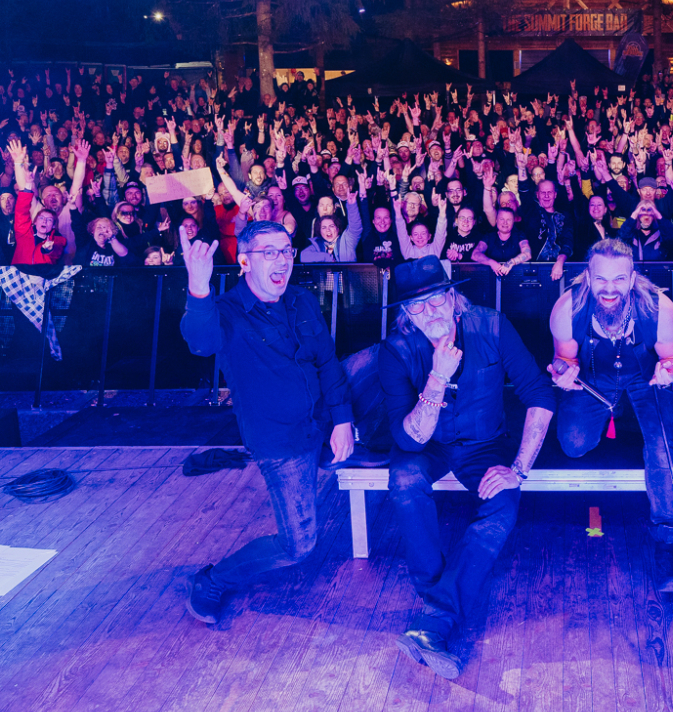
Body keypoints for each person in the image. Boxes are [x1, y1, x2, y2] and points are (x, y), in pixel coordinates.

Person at [379, 257, 556, 680]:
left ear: (453, 297)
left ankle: (434, 619)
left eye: (436, 299)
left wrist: (518, 469)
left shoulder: (492, 325)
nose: (430, 312)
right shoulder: (396, 350)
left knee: (503, 501)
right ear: (406, 314)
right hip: (428, 444)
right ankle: (437, 608)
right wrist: (437, 378)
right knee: (403, 479)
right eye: (416, 306)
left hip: (484, 444)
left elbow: (539, 394)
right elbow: (409, 440)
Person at [178, 225, 354, 626]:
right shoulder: (226, 312)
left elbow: (327, 361)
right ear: (244, 261)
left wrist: (343, 419)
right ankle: (212, 580)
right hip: (283, 442)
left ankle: (380, 447)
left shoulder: (301, 300)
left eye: (287, 251)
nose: (283, 260)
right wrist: (198, 287)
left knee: (379, 359)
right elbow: (200, 341)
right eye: (269, 252)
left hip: (322, 420)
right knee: (298, 546)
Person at [546, 238, 673, 593]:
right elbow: (565, 359)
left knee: (661, 449)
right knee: (573, 444)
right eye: (601, 279)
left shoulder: (661, 310)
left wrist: (670, 372)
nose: (609, 290)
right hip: (594, 380)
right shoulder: (566, 310)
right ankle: (615, 411)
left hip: (646, 378)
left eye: (619, 280)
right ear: (588, 276)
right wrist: (562, 373)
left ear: (632, 278)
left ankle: (668, 543)